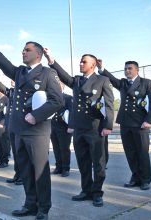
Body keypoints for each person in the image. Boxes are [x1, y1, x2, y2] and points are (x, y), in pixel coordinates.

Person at [0, 28, 63, 219]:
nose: (23, 52)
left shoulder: (49, 73)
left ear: (38, 54)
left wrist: (37, 115)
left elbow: (57, 101)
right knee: (24, 170)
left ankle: (43, 208)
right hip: (17, 129)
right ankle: (30, 204)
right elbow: (2, 62)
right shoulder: (19, 72)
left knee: (39, 171)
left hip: (37, 130)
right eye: (23, 49)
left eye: (28, 50)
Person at [44, 48, 114, 207]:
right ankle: (86, 190)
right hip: (79, 129)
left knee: (98, 163)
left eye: (84, 62)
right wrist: (51, 59)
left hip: (95, 128)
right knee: (83, 162)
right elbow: (62, 75)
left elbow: (109, 104)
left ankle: (97, 193)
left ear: (93, 64)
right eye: (80, 61)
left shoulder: (102, 80)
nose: (80, 64)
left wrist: (108, 125)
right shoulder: (76, 81)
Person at [97, 60, 151, 189]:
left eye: (130, 68)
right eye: (125, 69)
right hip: (125, 123)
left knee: (142, 152)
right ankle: (135, 177)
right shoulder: (123, 83)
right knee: (130, 152)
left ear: (137, 70)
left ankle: (145, 179)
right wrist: (102, 68)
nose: (127, 71)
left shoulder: (146, 83)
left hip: (140, 123)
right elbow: (112, 79)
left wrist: (149, 120)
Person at [0, 67, 22, 185]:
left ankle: (23, 176)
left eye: (14, 80)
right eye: (11, 80)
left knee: (21, 152)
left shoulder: (23, 91)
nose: (12, 81)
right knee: (16, 153)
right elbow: (1, 86)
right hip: (12, 125)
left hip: (21, 126)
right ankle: (17, 174)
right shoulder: (11, 93)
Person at [50, 82, 73, 177]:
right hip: (53, 126)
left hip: (64, 127)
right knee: (56, 148)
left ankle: (65, 168)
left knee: (64, 148)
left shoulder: (68, 98)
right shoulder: (50, 97)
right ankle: (58, 167)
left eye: (59, 84)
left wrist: (71, 126)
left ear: (63, 86)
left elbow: (72, 113)